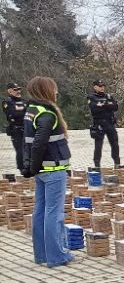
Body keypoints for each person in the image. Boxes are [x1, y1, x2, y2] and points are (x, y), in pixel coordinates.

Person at [21, 76, 73, 267]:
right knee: (54, 213)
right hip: (53, 169)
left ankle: (42, 255)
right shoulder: (47, 114)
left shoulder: (31, 111)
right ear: (45, 91)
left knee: (40, 211)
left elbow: (29, 143)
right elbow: (38, 144)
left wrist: (31, 168)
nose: (57, 92)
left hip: (43, 171)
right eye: (54, 89)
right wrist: (33, 167)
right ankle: (57, 256)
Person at [88, 79, 120, 167]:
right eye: (100, 86)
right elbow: (94, 109)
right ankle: (97, 165)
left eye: (103, 86)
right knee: (98, 146)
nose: (102, 88)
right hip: (99, 124)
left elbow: (115, 107)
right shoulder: (92, 97)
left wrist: (103, 104)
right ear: (95, 87)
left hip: (110, 123)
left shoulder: (109, 96)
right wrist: (107, 105)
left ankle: (117, 163)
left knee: (115, 144)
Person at [3, 82, 27, 172]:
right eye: (15, 90)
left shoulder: (24, 101)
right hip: (16, 130)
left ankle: (29, 166)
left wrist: (21, 111)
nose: (18, 91)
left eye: (19, 89)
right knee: (20, 150)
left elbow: (29, 113)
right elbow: (12, 114)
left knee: (28, 149)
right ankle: (22, 169)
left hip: (26, 129)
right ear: (10, 91)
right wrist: (22, 112)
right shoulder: (7, 102)